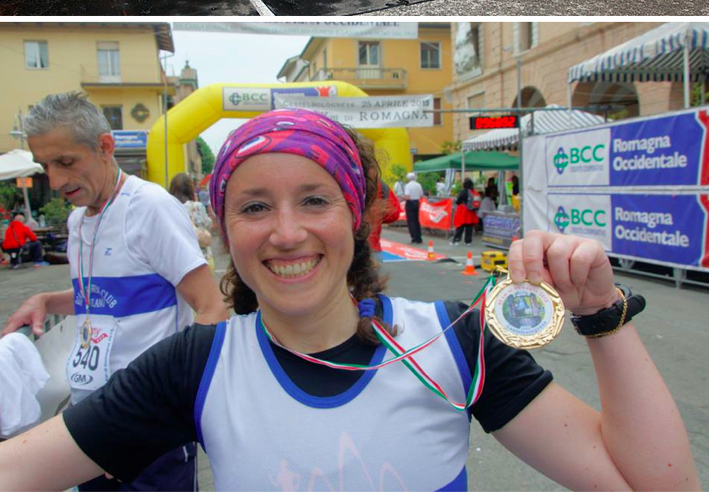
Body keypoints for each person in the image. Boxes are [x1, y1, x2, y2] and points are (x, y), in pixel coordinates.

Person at [0, 108, 699, 492]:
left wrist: (601, 319)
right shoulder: (194, 363)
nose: (285, 231)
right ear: (223, 229)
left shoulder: (452, 340)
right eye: (252, 206)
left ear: (358, 215)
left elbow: (655, 485)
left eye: (313, 200)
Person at [1, 92, 229, 492]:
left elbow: (211, 309)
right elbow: (101, 298)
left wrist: (161, 414)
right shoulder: (76, 221)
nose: (54, 181)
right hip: (89, 421)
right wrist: (45, 301)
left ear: (105, 147)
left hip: (148, 428)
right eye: (46, 166)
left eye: (66, 162)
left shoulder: (150, 207)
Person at [169, 172, 215, 273]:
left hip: (180, 260)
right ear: (190, 188)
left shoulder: (169, 208)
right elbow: (207, 224)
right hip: (201, 257)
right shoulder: (197, 206)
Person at [451, 178, 479, 245]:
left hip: (463, 211)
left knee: (460, 226)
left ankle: (456, 240)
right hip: (471, 212)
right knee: (469, 226)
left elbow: (458, 202)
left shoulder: (463, 192)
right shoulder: (473, 192)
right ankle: (468, 241)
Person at [403, 170, 423, 244]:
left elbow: (407, 196)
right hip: (417, 202)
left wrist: (403, 197)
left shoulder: (408, 186)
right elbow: (421, 195)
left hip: (410, 203)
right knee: (416, 220)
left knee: (411, 221)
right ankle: (419, 237)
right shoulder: (418, 185)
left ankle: (414, 237)